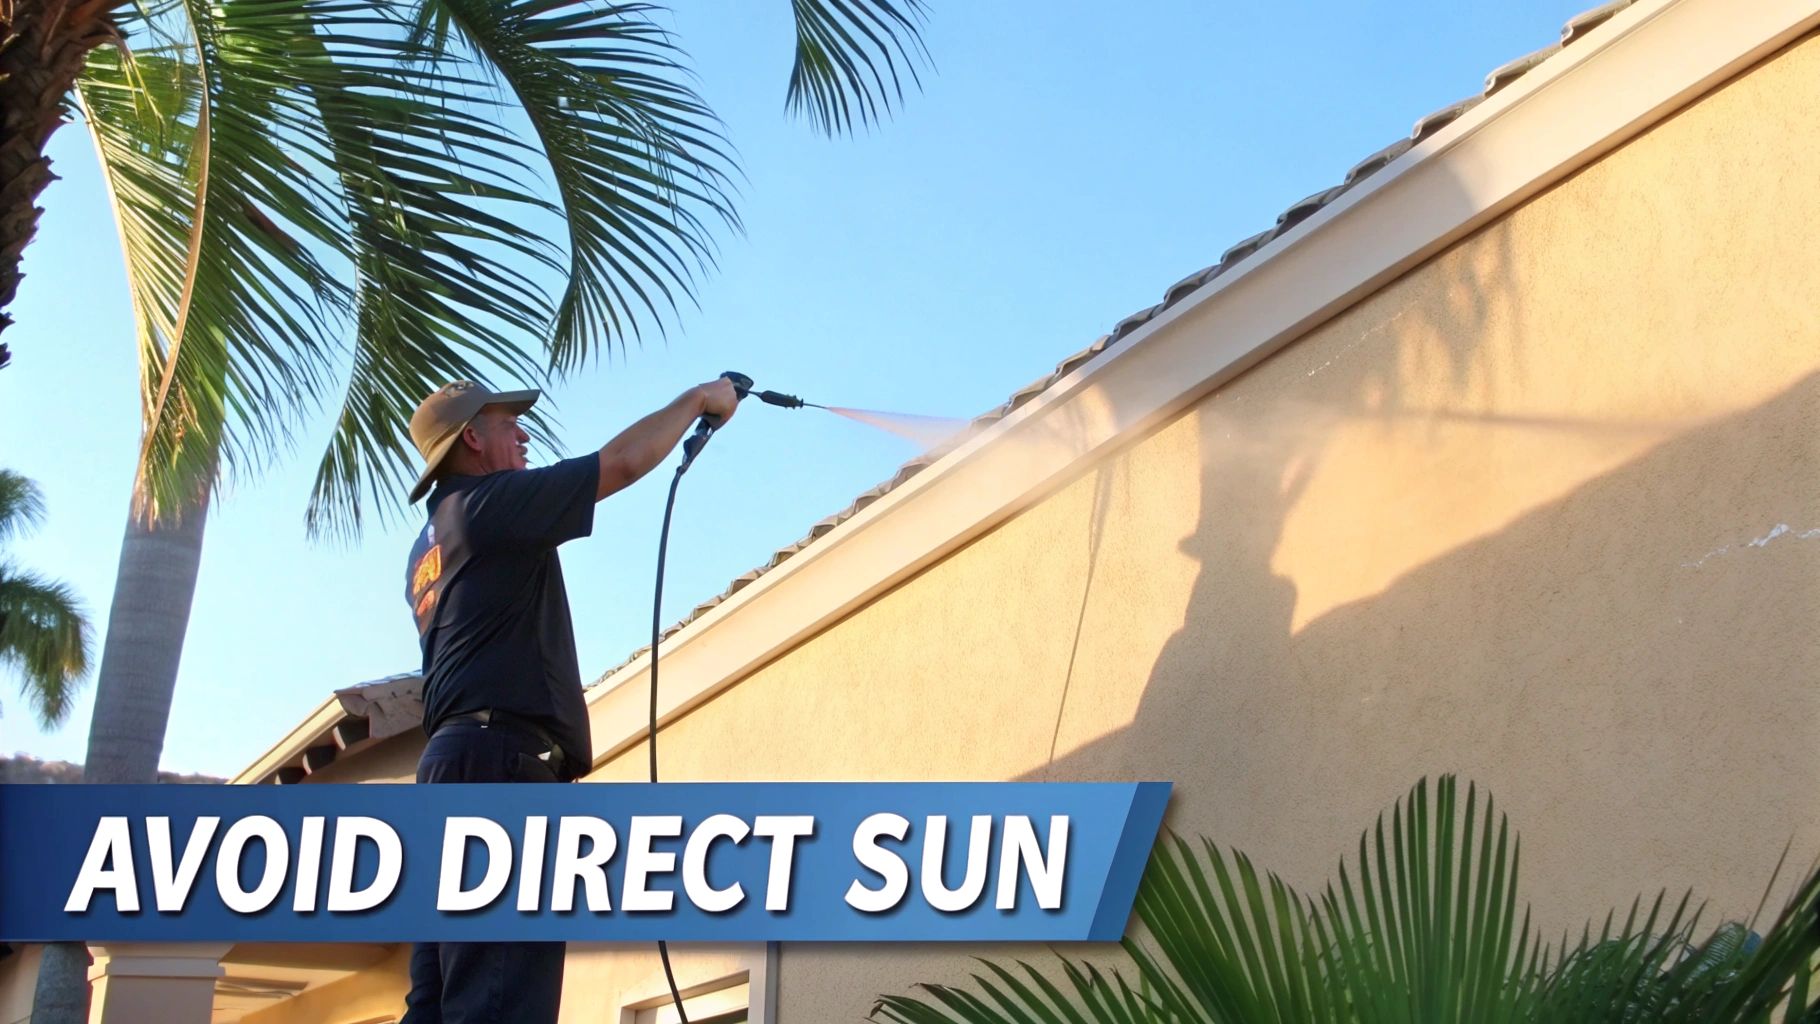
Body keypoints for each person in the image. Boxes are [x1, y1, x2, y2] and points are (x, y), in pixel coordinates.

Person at [399, 377, 740, 1024]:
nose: (523, 434)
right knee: (500, 998)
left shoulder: (431, 546)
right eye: (507, 425)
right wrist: (699, 398)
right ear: (472, 439)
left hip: (450, 775)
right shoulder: (484, 507)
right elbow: (620, 464)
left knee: (439, 1003)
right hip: (502, 773)